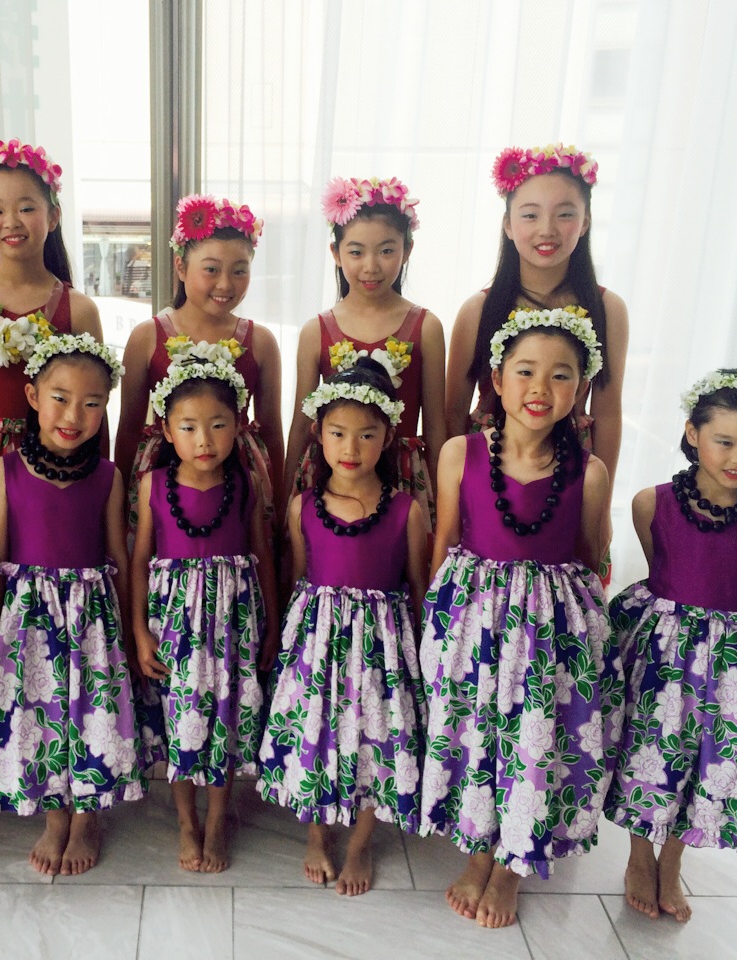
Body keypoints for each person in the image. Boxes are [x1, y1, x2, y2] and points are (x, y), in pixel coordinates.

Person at [419, 307, 621, 928]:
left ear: (580, 389)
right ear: (497, 380)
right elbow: (444, 541)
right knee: (479, 739)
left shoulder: (588, 472)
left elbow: (589, 556)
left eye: (561, 375)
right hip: (474, 624)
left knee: (535, 743)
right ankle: (479, 853)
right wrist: (437, 628)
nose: (541, 388)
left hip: (549, 632)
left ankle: (512, 867)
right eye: (526, 371)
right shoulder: (459, 454)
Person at [607, 370, 737, 923]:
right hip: (665, 658)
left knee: (707, 759)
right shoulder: (651, 503)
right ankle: (638, 855)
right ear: (693, 433)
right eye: (725, 441)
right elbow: (662, 576)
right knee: (652, 752)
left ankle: (673, 860)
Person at [0, 333, 143, 877]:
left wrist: (126, 630)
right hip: (29, 620)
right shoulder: (4, 470)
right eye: (61, 398)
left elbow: (118, 555)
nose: (74, 415)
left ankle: (87, 817)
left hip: (93, 620)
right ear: (32, 396)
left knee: (92, 715)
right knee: (41, 717)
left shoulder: (109, 476)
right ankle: (54, 816)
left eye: (92, 403)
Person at [258, 358, 429, 897]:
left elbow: (419, 587)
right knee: (318, 733)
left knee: (375, 740)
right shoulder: (302, 507)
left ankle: (360, 844)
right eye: (337, 433)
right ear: (318, 433)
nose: (350, 447)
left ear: (389, 436)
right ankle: (317, 834)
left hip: (381, 649)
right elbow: (299, 577)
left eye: (366, 435)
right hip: (318, 644)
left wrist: (419, 661)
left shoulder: (407, 511)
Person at [444, 145, 628, 576]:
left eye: (565, 214)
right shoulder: (479, 309)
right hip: (491, 470)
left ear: (585, 222)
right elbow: (453, 412)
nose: (547, 229)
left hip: (568, 470)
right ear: (508, 224)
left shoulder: (607, 308)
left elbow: (608, 411)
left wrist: (601, 505)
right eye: (530, 214)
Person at [131, 347, 280, 872]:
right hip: (174, 625)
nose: (204, 440)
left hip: (233, 623)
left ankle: (217, 820)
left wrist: (271, 629)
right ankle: (185, 822)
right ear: (166, 431)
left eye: (218, 426)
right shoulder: (152, 485)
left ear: (238, 427)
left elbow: (262, 556)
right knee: (181, 723)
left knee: (225, 720)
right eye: (189, 427)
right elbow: (140, 561)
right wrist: (139, 631)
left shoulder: (246, 484)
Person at [115, 195, 283, 539]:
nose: (225, 284)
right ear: (181, 266)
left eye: (239, 271)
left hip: (239, 479)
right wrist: (118, 506)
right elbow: (129, 428)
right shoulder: (147, 337)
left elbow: (272, 433)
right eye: (211, 269)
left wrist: (277, 504)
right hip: (163, 473)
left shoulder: (262, 342)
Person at [285, 176, 446, 525]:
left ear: (407, 249)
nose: (371, 266)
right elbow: (301, 427)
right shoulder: (315, 331)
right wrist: (285, 501)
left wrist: (445, 508)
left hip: (404, 476)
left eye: (386, 250)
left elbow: (436, 428)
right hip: (335, 477)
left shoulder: (427, 327)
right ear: (336, 253)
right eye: (356, 252)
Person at [0, 138, 106, 475]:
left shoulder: (79, 309)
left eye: (27, 209)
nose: (11, 221)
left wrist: (100, 482)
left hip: (58, 461)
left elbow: (95, 409)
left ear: (53, 216)